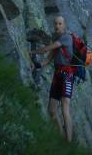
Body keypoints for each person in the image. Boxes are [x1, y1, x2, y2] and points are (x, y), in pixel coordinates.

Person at [32, 14, 76, 143]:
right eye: (55, 23)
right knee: (51, 110)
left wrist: (32, 52)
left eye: (60, 23)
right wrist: (35, 65)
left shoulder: (66, 38)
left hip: (67, 74)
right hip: (58, 75)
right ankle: (62, 138)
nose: (57, 26)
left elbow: (47, 49)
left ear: (64, 25)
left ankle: (68, 143)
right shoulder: (57, 39)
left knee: (64, 108)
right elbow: (48, 60)